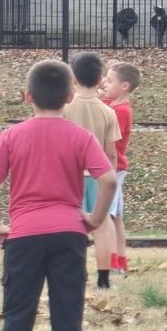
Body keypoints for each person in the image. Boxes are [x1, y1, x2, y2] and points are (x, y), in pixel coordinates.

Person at [0, 60, 116, 331]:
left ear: (28, 97)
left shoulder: (12, 135)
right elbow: (109, 179)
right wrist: (95, 219)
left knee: (18, 310)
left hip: (24, 234)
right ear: (69, 97)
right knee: (67, 310)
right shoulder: (80, 136)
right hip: (68, 233)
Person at [64, 52, 121, 290]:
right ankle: (104, 280)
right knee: (103, 228)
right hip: (98, 178)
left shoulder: (64, 108)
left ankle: (73, 276)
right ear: (100, 80)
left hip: (69, 177)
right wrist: (111, 178)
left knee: (69, 227)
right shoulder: (109, 112)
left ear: (72, 79)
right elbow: (110, 154)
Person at [102, 61, 141, 275]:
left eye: (109, 80)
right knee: (115, 216)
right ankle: (120, 261)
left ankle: (114, 263)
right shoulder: (113, 105)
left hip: (113, 168)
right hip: (114, 167)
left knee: (108, 216)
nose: (104, 84)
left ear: (124, 86)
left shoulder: (121, 111)